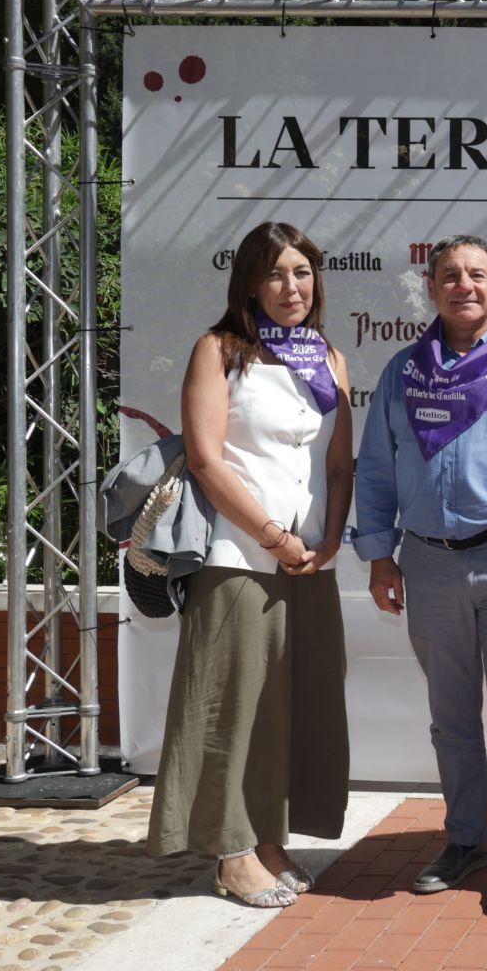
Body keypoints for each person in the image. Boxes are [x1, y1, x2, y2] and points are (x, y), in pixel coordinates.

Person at [353, 235, 487, 917]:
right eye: (450, 275)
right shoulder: (400, 372)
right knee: (450, 718)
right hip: (428, 563)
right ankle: (465, 839)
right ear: (432, 287)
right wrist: (380, 553)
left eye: (477, 275)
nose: (464, 285)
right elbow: (379, 469)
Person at [147, 221, 352, 909]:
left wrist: (328, 541)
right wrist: (272, 536)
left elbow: (336, 462)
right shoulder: (219, 350)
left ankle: (268, 838)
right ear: (249, 284)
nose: (291, 287)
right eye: (276, 274)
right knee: (226, 709)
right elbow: (205, 459)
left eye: (302, 272)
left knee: (289, 710)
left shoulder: (326, 356)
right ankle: (230, 852)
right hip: (239, 559)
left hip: (310, 564)